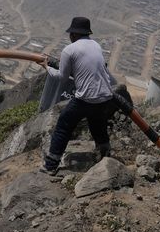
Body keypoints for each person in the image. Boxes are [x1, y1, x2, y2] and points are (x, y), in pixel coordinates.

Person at [40, 16, 114, 175]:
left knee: (63, 126)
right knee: (97, 124)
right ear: (87, 33)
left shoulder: (69, 50)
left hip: (86, 98)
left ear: (73, 34)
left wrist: (46, 67)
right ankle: (106, 154)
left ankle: (51, 165)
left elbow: (61, 77)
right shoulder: (96, 45)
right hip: (106, 96)